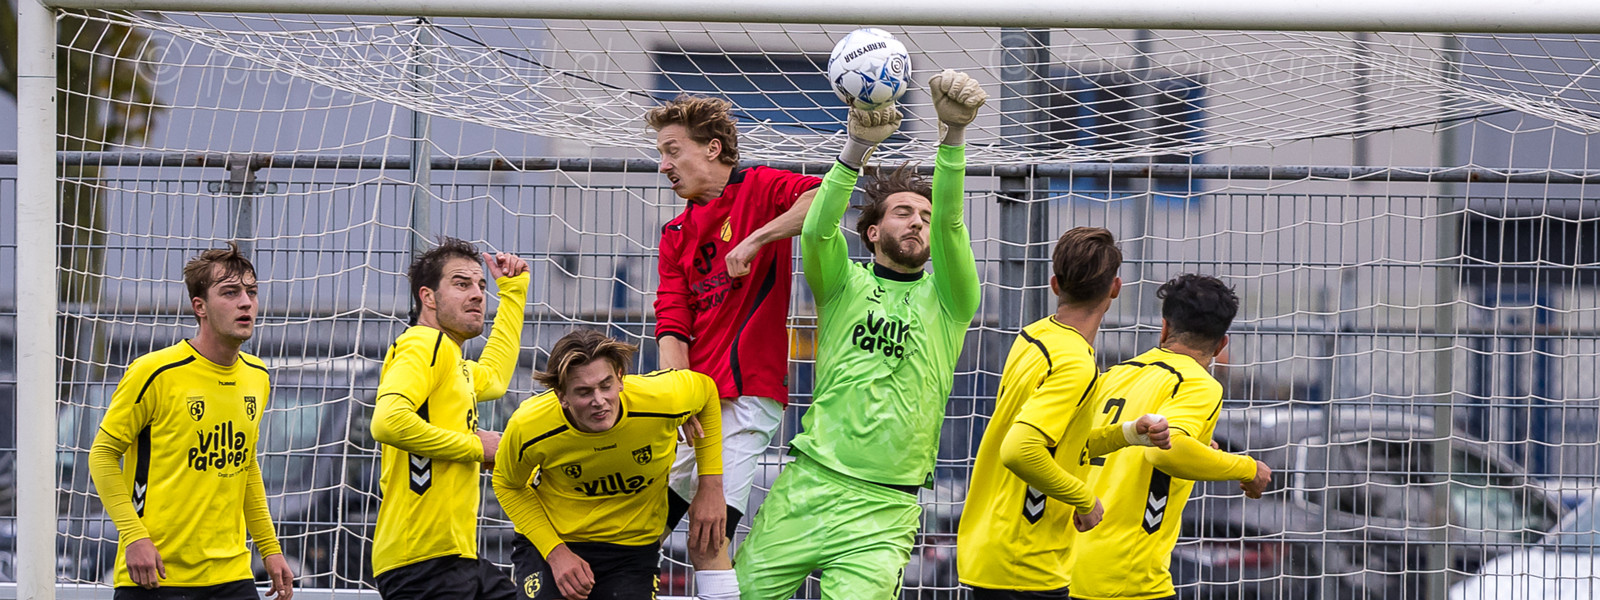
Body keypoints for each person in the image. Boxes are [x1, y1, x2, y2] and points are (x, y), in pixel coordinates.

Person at [733, 69, 984, 600]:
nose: (917, 222)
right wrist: (855, 149)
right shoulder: (842, 283)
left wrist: (954, 137)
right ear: (872, 232)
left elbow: (951, 224)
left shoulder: (951, 299)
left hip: (886, 509)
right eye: (903, 212)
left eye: (923, 215)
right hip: (810, 486)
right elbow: (817, 228)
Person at [646, 94, 822, 600]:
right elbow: (672, 322)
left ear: (713, 148)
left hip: (746, 399)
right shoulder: (675, 233)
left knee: (709, 539)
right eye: (661, 153)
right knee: (638, 530)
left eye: (672, 151)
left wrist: (756, 239)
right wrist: (680, 398)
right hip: (693, 405)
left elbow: (825, 198)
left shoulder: (760, 187)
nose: (663, 165)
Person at [957, 227, 1173, 599]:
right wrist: (1084, 499)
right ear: (1115, 288)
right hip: (1025, 562)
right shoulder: (1074, 363)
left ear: (1055, 284)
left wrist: (1128, 433)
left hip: (997, 547)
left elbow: (1059, 445)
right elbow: (1020, 450)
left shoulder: (1034, 336)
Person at [88, 242, 295, 599]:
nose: (245, 302)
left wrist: (270, 547)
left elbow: (245, 465)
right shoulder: (155, 371)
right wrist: (134, 536)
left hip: (232, 574)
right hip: (157, 574)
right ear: (200, 306)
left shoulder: (257, 375)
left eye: (251, 292)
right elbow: (103, 455)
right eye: (230, 293)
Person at [1069, 274, 1273, 600]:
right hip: (1126, 577)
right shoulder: (1197, 384)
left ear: (1164, 328)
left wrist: (1199, 450)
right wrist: (1248, 468)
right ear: (1222, 344)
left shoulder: (1114, 376)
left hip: (1068, 564)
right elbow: (1165, 451)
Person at [491, 329, 727, 600]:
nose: (599, 401)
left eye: (606, 385)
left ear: (620, 378)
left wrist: (711, 487)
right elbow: (506, 484)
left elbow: (707, 391)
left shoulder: (664, 399)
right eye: (584, 392)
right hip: (554, 541)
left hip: (632, 549)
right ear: (561, 395)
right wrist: (555, 552)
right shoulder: (529, 425)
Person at [369, 237, 529, 599]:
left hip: (454, 556)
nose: (477, 295)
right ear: (428, 297)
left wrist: (513, 292)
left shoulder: (452, 361)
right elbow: (387, 422)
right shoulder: (423, 345)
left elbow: (495, 377)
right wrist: (477, 446)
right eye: (461, 284)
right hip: (421, 561)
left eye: (481, 286)